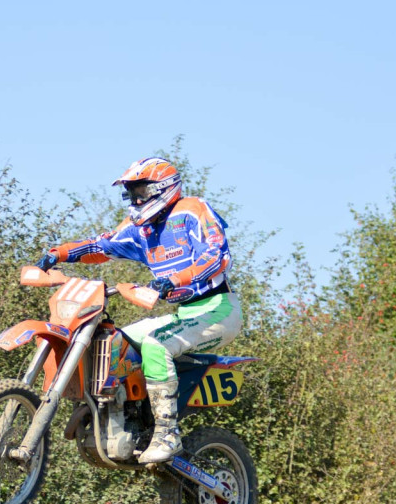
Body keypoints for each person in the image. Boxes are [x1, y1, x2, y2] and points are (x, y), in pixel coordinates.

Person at [35, 157, 242, 464]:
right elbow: (100, 246)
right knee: (114, 342)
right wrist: (59, 253)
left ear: (162, 188)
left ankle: (167, 434)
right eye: (131, 193)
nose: (136, 199)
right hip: (183, 314)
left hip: (217, 309)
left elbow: (217, 256)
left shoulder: (191, 210)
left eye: (141, 191)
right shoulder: (141, 230)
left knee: (157, 344)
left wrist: (173, 280)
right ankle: (121, 411)